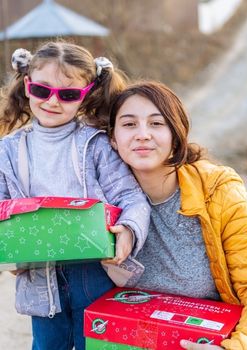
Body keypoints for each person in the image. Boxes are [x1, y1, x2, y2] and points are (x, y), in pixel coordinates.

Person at [109, 81, 247, 350]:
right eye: (129, 124)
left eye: (156, 124)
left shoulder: (219, 193)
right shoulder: (103, 203)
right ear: (113, 139)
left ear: (176, 136)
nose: (142, 134)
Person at [0, 41, 150, 350]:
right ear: (28, 86)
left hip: (94, 271)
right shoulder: (8, 151)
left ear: (85, 95)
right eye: (43, 90)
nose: (53, 101)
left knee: (94, 345)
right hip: (39, 276)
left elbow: (131, 197)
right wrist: (11, 249)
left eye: (67, 95)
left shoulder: (94, 145)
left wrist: (129, 232)